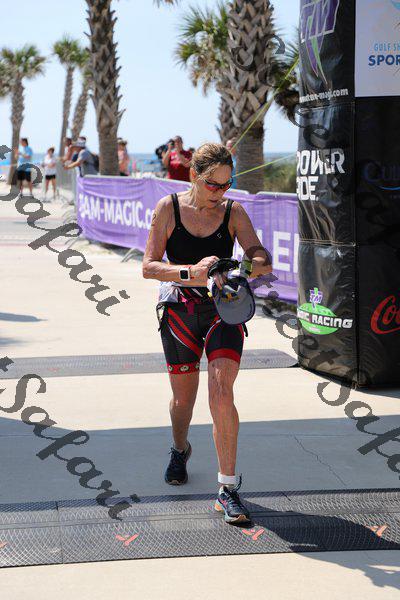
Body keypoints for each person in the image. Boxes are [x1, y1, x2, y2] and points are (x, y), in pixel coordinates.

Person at [142, 142, 272, 525]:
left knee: (221, 391)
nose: (220, 191)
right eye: (213, 184)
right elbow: (149, 266)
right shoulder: (168, 208)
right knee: (183, 401)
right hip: (179, 310)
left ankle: (227, 489)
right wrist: (191, 272)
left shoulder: (234, 212)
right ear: (194, 176)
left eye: (227, 183)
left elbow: (261, 257)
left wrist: (241, 268)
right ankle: (180, 448)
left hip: (223, 309)